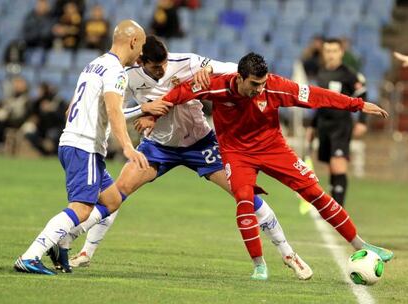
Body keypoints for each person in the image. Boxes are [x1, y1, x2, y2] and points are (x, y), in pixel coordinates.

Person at [61, 36, 312, 281]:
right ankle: (84, 250)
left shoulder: (188, 62)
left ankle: (289, 254)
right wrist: (135, 110)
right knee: (117, 192)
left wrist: (210, 68)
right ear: (141, 62)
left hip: (199, 143)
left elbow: (238, 69)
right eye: (156, 67)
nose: (162, 70)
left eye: (165, 64)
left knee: (244, 193)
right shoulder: (127, 76)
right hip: (158, 146)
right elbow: (109, 105)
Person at [157, 52, 394, 279]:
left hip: (274, 149)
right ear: (239, 78)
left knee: (315, 193)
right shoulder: (218, 86)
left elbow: (315, 95)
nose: (260, 89)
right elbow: (182, 91)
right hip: (237, 154)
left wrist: (357, 104)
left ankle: (361, 244)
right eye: (254, 84)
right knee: (243, 199)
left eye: (262, 83)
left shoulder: (275, 86)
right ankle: (259, 265)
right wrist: (152, 114)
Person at [14, 19, 148, 275]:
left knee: (111, 199)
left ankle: (62, 241)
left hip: (77, 144)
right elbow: (113, 110)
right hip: (84, 147)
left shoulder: (93, 65)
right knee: (82, 207)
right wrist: (128, 148)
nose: (141, 52)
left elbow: (69, 108)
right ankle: (30, 256)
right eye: (141, 46)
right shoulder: (116, 72)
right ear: (133, 42)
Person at [306, 38, 368, 207]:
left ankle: (338, 208)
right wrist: (312, 125)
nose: (331, 54)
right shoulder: (321, 73)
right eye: (327, 51)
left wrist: (362, 121)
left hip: (341, 125)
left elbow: (362, 94)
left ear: (341, 52)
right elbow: (319, 102)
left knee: (338, 163)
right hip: (324, 124)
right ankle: (334, 205)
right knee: (330, 166)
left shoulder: (349, 74)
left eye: (334, 51)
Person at [23, 82, 66, 155]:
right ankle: (44, 151)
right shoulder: (38, 102)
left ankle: (54, 153)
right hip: (41, 129)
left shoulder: (58, 101)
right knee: (29, 133)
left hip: (56, 128)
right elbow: (32, 114)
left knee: (53, 134)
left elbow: (62, 117)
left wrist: (52, 110)